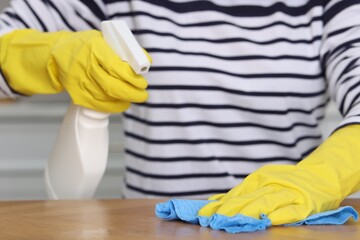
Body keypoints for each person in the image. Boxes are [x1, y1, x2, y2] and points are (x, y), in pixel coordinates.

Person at [0, 0, 360, 225]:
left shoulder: (327, 6)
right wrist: (50, 57)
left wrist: (324, 176)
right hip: (145, 227)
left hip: (284, 227)